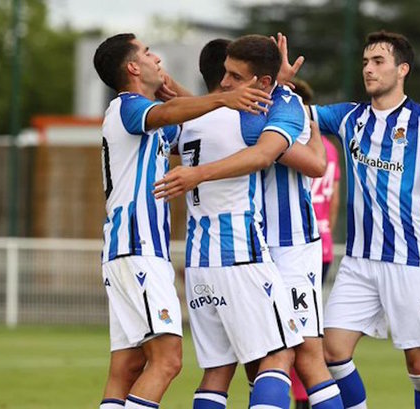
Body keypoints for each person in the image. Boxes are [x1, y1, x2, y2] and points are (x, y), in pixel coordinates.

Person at [154, 34, 343, 409]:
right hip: (247, 249)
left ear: (262, 81)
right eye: (225, 75)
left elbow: (313, 165)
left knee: (301, 357)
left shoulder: (271, 108)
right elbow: (312, 160)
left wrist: (296, 105)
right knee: (267, 363)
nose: (227, 84)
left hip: (288, 247)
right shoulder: (240, 109)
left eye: (236, 77)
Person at [92, 33, 272, 409]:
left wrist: (224, 95)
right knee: (169, 360)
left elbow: (196, 125)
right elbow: (168, 114)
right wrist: (224, 96)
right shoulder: (127, 107)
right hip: (138, 249)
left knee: (126, 367)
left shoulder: (150, 121)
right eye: (146, 52)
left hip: (126, 251)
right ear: (132, 67)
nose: (156, 57)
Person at [308, 31, 420, 409]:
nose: (369, 68)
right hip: (359, 262)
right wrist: (281, 82)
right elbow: (299, 113)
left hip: (409, 261)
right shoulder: (349, 117)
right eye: (365, 62)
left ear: (402, 70)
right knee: (331, 350)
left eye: (378, 61)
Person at [289, 78, 342, 409]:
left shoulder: (293, 144)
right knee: (307, 328)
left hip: (296, 245)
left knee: (292, 335)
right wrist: (328, 233)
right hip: (321, 244)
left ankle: (301, 398)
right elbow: (333, 201)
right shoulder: (330, 148)